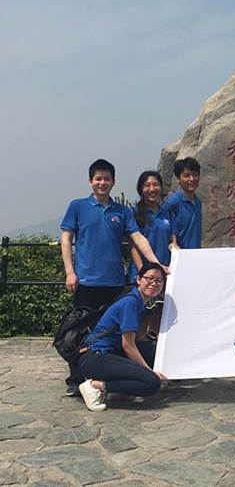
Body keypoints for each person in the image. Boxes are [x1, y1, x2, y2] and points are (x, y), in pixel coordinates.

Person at [60, 159, 169, 396]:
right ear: (90, 181)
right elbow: (66, 238)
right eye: (98, 178)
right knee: (80, 332)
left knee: (115, 332)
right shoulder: (77, 206)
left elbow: (138, 238)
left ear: (113, 181)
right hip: (87, 282)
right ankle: (76, 379)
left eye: (106, 178)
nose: (102, 182)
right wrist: (70, 271)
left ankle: (109, 375)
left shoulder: (122, 211)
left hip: (115, 282)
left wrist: (155, 264)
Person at [77, 263, 168, 412]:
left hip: (108, 354)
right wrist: (150, 372)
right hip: (95, 357)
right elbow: (128, 346)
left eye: (159, 280)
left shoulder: (140, 303)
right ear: (138, 279)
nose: (154, 283)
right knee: (152, 383)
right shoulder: (130, 303)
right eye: (150, 278)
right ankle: (95, 386)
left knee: (153, 352)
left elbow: (140, 340)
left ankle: (120, 389)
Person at [128, 171, 172, 284]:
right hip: (143, 276)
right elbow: (133, 246)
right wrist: (142, 273)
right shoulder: (134, 213)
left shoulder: (166, 212)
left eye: (156, 185)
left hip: (164, 272)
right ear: (140, 189)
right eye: (147, 185)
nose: (152, 189)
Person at [165, 157, 202, 250]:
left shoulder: (198, 202)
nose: (192, 179)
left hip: (195, 253)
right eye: (187, 175)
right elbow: (165, 230)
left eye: (195, 175)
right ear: (178, 179)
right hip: (179, 254)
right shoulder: (173, 202)